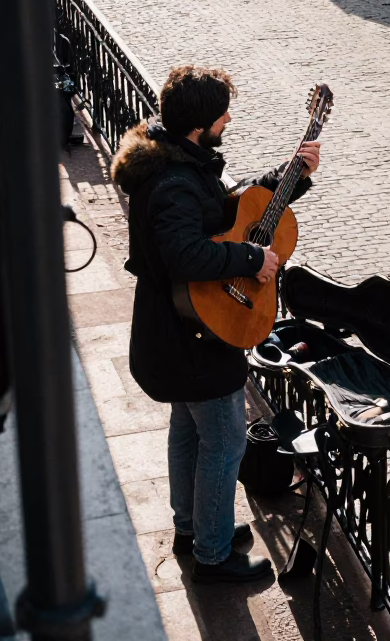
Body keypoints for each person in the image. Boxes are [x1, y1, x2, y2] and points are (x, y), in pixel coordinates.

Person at [110, 65, 321, 582]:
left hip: (177, 333)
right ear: (198, 124)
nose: (229, 118)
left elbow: (228, 211)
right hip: (194, 338)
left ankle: (196, 527)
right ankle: (212, 554)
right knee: (226, 442)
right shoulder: (175, 182)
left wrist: (286, 176)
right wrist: (253, 261)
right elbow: (187, 253)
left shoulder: (177, 159)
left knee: (189, 430)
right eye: (222, 113)